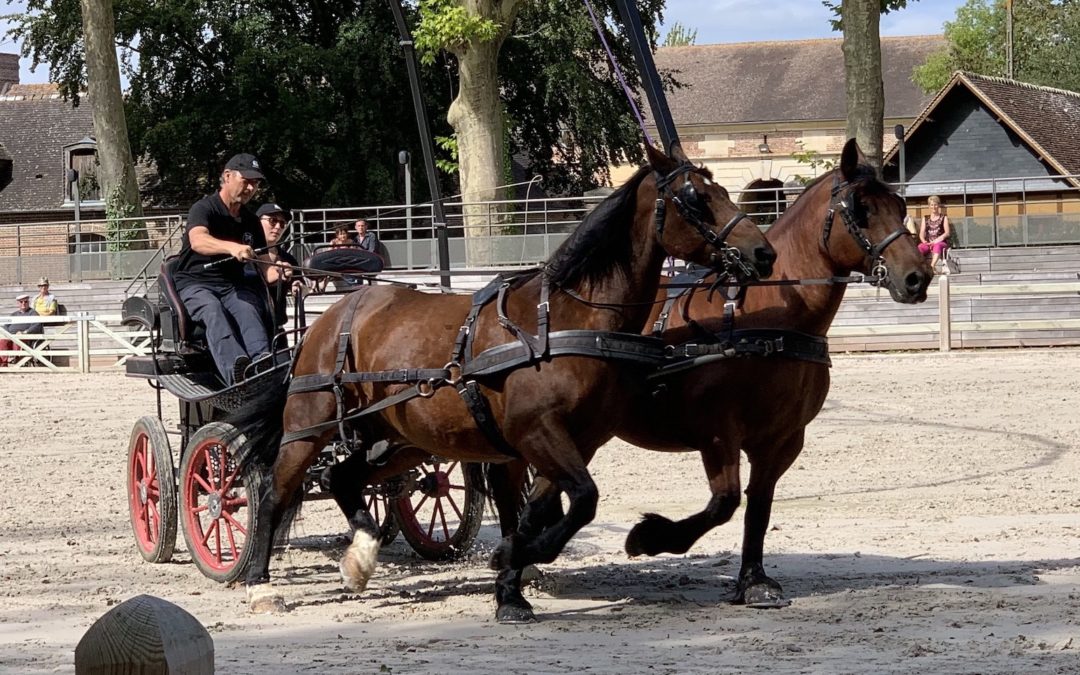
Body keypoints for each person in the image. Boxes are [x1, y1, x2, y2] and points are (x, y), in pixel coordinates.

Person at [172, 153, 274, 385]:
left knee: (248, 308)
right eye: (246, 181)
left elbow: (266, 267)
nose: (251, 188)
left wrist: (287, 273)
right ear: (227, 176)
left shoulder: (251, 221)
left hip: (231, 287)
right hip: (195, 284)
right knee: (212, 310)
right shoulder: (204, 208)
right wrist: (232, 247)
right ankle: (236, 373)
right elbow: (198, 241)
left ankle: (264, 366)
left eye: (255, 183)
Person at [256, 203, 303, 332]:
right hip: (249, 328)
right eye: (273, 221)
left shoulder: (288, 258)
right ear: (257, 222)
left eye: (282, 224)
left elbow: (303, 288)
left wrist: (298, 288)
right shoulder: (245, 254)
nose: (278, 227)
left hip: (278, 330)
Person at [0, 293, 44, 366]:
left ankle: (15, 360)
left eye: (25, 301)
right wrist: (8, 334)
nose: (23, 303)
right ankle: (3, 363)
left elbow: (37, 325)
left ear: (28, 302)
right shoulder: (13, 314)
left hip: (24, 336)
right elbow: (5, 326)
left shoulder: (33, 313)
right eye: (21, 302)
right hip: (10, 335)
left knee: (17, 339)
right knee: (2, 340)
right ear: (18, 303)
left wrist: (25, 332)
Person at [918, 195, 952, 272]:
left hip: (941, 243)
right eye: (932, 205)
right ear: (929, 206)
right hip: (928, 243)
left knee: (937, 246)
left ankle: (932, 266)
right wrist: (924, 241)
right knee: (920, 247)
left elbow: (947, 233)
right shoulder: (925, 218)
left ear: (938, 205)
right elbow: (921, 233)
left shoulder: (944, 217)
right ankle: (921, 267)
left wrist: (936, 241)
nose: (934, 207)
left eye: (935, 204)